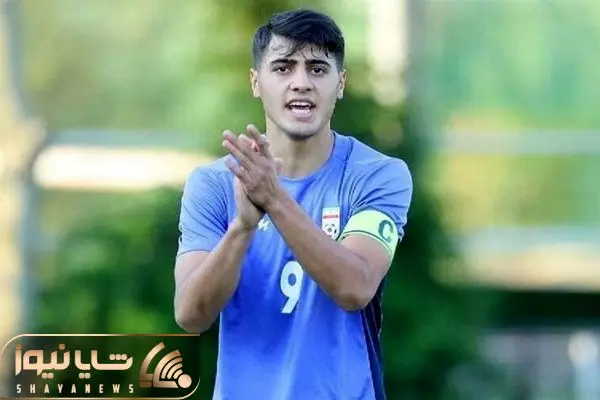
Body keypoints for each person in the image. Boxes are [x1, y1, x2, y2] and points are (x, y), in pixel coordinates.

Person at [173, 8, 413, 400]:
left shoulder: (377, 175)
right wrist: (242, 228)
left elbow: (355, 287)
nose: (301, 83)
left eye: (317, 69)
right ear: (256, 82)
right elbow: (190, 315)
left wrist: (273, 199)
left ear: (340, 84)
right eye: (283, 68)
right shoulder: (214, 184)